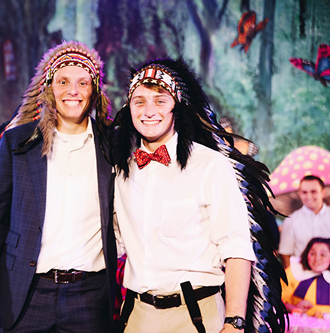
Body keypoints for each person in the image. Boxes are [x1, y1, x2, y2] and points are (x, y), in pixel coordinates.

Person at [112, 58, 286, 333]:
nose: (148, 111)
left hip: (196, 315)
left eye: (160, 101)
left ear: (177, 109)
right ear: (128, 108)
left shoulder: (209, 165)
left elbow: (237, 248)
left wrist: (234, 322)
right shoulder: (123, 170)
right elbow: (116, 241)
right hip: (137, 316)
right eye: (139, 101)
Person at [0, 40, 117, 333]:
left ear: (94, 90)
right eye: (63, 82)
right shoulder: (17, 143)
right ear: (49, 88)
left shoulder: (113, 145)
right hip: (25, 294)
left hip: (91, 297)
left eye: (82, 82)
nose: (73, 91)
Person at [279, 175, 330, 268]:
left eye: (314, 192)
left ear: (323, 193)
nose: (309, 196)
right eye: (304, 192)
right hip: (302, 277)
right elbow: (285, 253)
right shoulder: (291, 220)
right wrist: (293, 279)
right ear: (300, 194)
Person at [282, 237, 330, 316]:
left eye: (323, 255)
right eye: (312, 253)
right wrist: (295, 308)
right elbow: (279, 301)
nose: (317, 259)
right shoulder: (293, 271)